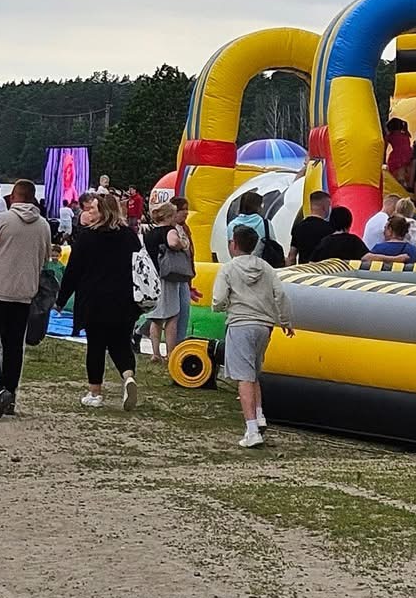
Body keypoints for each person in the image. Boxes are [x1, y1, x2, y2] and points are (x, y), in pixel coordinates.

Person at [0, 179, 49, 421]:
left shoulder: (0, 220)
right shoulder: (44, 226)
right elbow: (45, 257)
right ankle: (11, 393)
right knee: (15, 345)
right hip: (24, 294)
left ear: (13, 197)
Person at [58, 191, 144, 409]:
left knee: (96, 346)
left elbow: (73, 271)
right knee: (121, 342)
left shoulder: (87, 237)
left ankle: (95, 392)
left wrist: (61, 299)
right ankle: (128, 376)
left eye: (93, 209)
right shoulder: (129, 236)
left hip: (94, 299)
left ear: (102, 212)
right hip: (124, 299)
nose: (89, 212)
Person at [213, 223, 295, 448]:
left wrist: (218, 307)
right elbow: (281, 295)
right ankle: (259, 416)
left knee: (244, 377)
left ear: (234, 244)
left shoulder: (228, 269)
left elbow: (219, 299)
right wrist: (285, 321)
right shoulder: (267, 268)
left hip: (241, 323)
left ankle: (251, 429)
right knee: (253, 372)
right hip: (264, 325)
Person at [142, 201, 193, 360]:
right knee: (172, 316)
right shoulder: (169, 230)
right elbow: (173, 242)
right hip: (168, 277)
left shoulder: (149, 233)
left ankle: (155, 352)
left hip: (153, 276)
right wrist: (182, 245)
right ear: (170, 216)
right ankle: (171, 352)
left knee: (155, 317)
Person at [289, 190, 333, 265]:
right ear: (325, 207)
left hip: (305, 272)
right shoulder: (330, 229)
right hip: (323, 271)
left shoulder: (298, 227)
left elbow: (292, 257)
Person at [384, 117, 414, 193]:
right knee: (406, 171)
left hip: (397, 156)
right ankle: (409, 186)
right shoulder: (406, 134)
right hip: (409, 154)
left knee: (400, 175)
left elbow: (385, 145)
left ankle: (403, 189)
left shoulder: (391, 136)